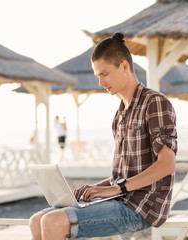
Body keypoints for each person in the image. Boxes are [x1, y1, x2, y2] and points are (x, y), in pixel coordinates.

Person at [29, 32, 177, 240]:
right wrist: (97, 188)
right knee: (37, 220)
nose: (100, 82)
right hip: (121, 198)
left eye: (105, 74)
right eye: (98, 75)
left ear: (124, 66)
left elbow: (167, 165)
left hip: (142, 206)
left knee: (53, 221)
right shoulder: (120, 114)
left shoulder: (155, 103)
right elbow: (124, 174)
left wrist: (116, 189)